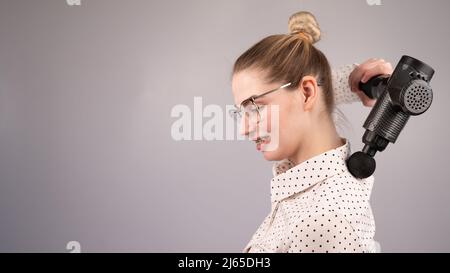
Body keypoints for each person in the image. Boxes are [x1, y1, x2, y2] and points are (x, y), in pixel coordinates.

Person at [230, 11, 392, 253]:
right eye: (240, 112)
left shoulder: (322, 222)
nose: (243, 129)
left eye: (253, 107)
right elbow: (305, 99)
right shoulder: (303, 198)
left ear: (307, 92)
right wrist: (348, 82)